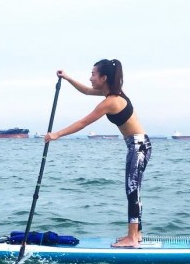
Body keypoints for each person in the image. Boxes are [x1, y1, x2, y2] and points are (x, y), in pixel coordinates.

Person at [44, 59, 152, 248]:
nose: (90, 78)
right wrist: (67, 78)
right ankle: (137, 234)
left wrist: (57, 134)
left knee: (132, 189)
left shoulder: (111, 101)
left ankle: (133, 238)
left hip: (138, 145)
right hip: (138, 144)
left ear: (104, 78)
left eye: (93, 74)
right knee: (132, 189)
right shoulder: (112, 95)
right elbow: (86, 91)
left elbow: (83, 122)